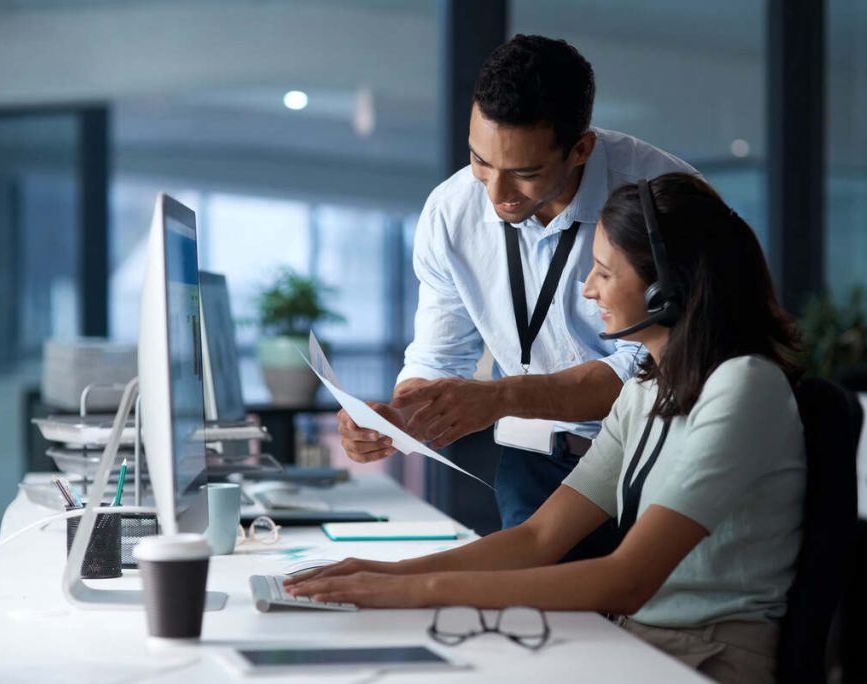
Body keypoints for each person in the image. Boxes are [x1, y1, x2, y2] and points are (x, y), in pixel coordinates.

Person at [289, 173, 807, 683]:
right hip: (633, 640)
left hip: (705, 656)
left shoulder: (743, 387)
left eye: (605, 272)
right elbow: (538, 537)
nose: (587, 289)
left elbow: (627, 579)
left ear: (665, 290)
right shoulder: (647, 389)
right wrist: (387, 574)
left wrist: (416, 593)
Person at [338, 34, 696, 558]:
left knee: (638, 628)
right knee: (534, 629)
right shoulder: (451, 211)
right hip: (534, 465)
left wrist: (501, 397)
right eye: (480, 160)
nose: (496, 195)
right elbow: (439, 356)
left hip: (656, 462)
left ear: (580, 149)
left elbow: (649, 370)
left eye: (524, 173)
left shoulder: (659, 199)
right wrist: (400, 419)